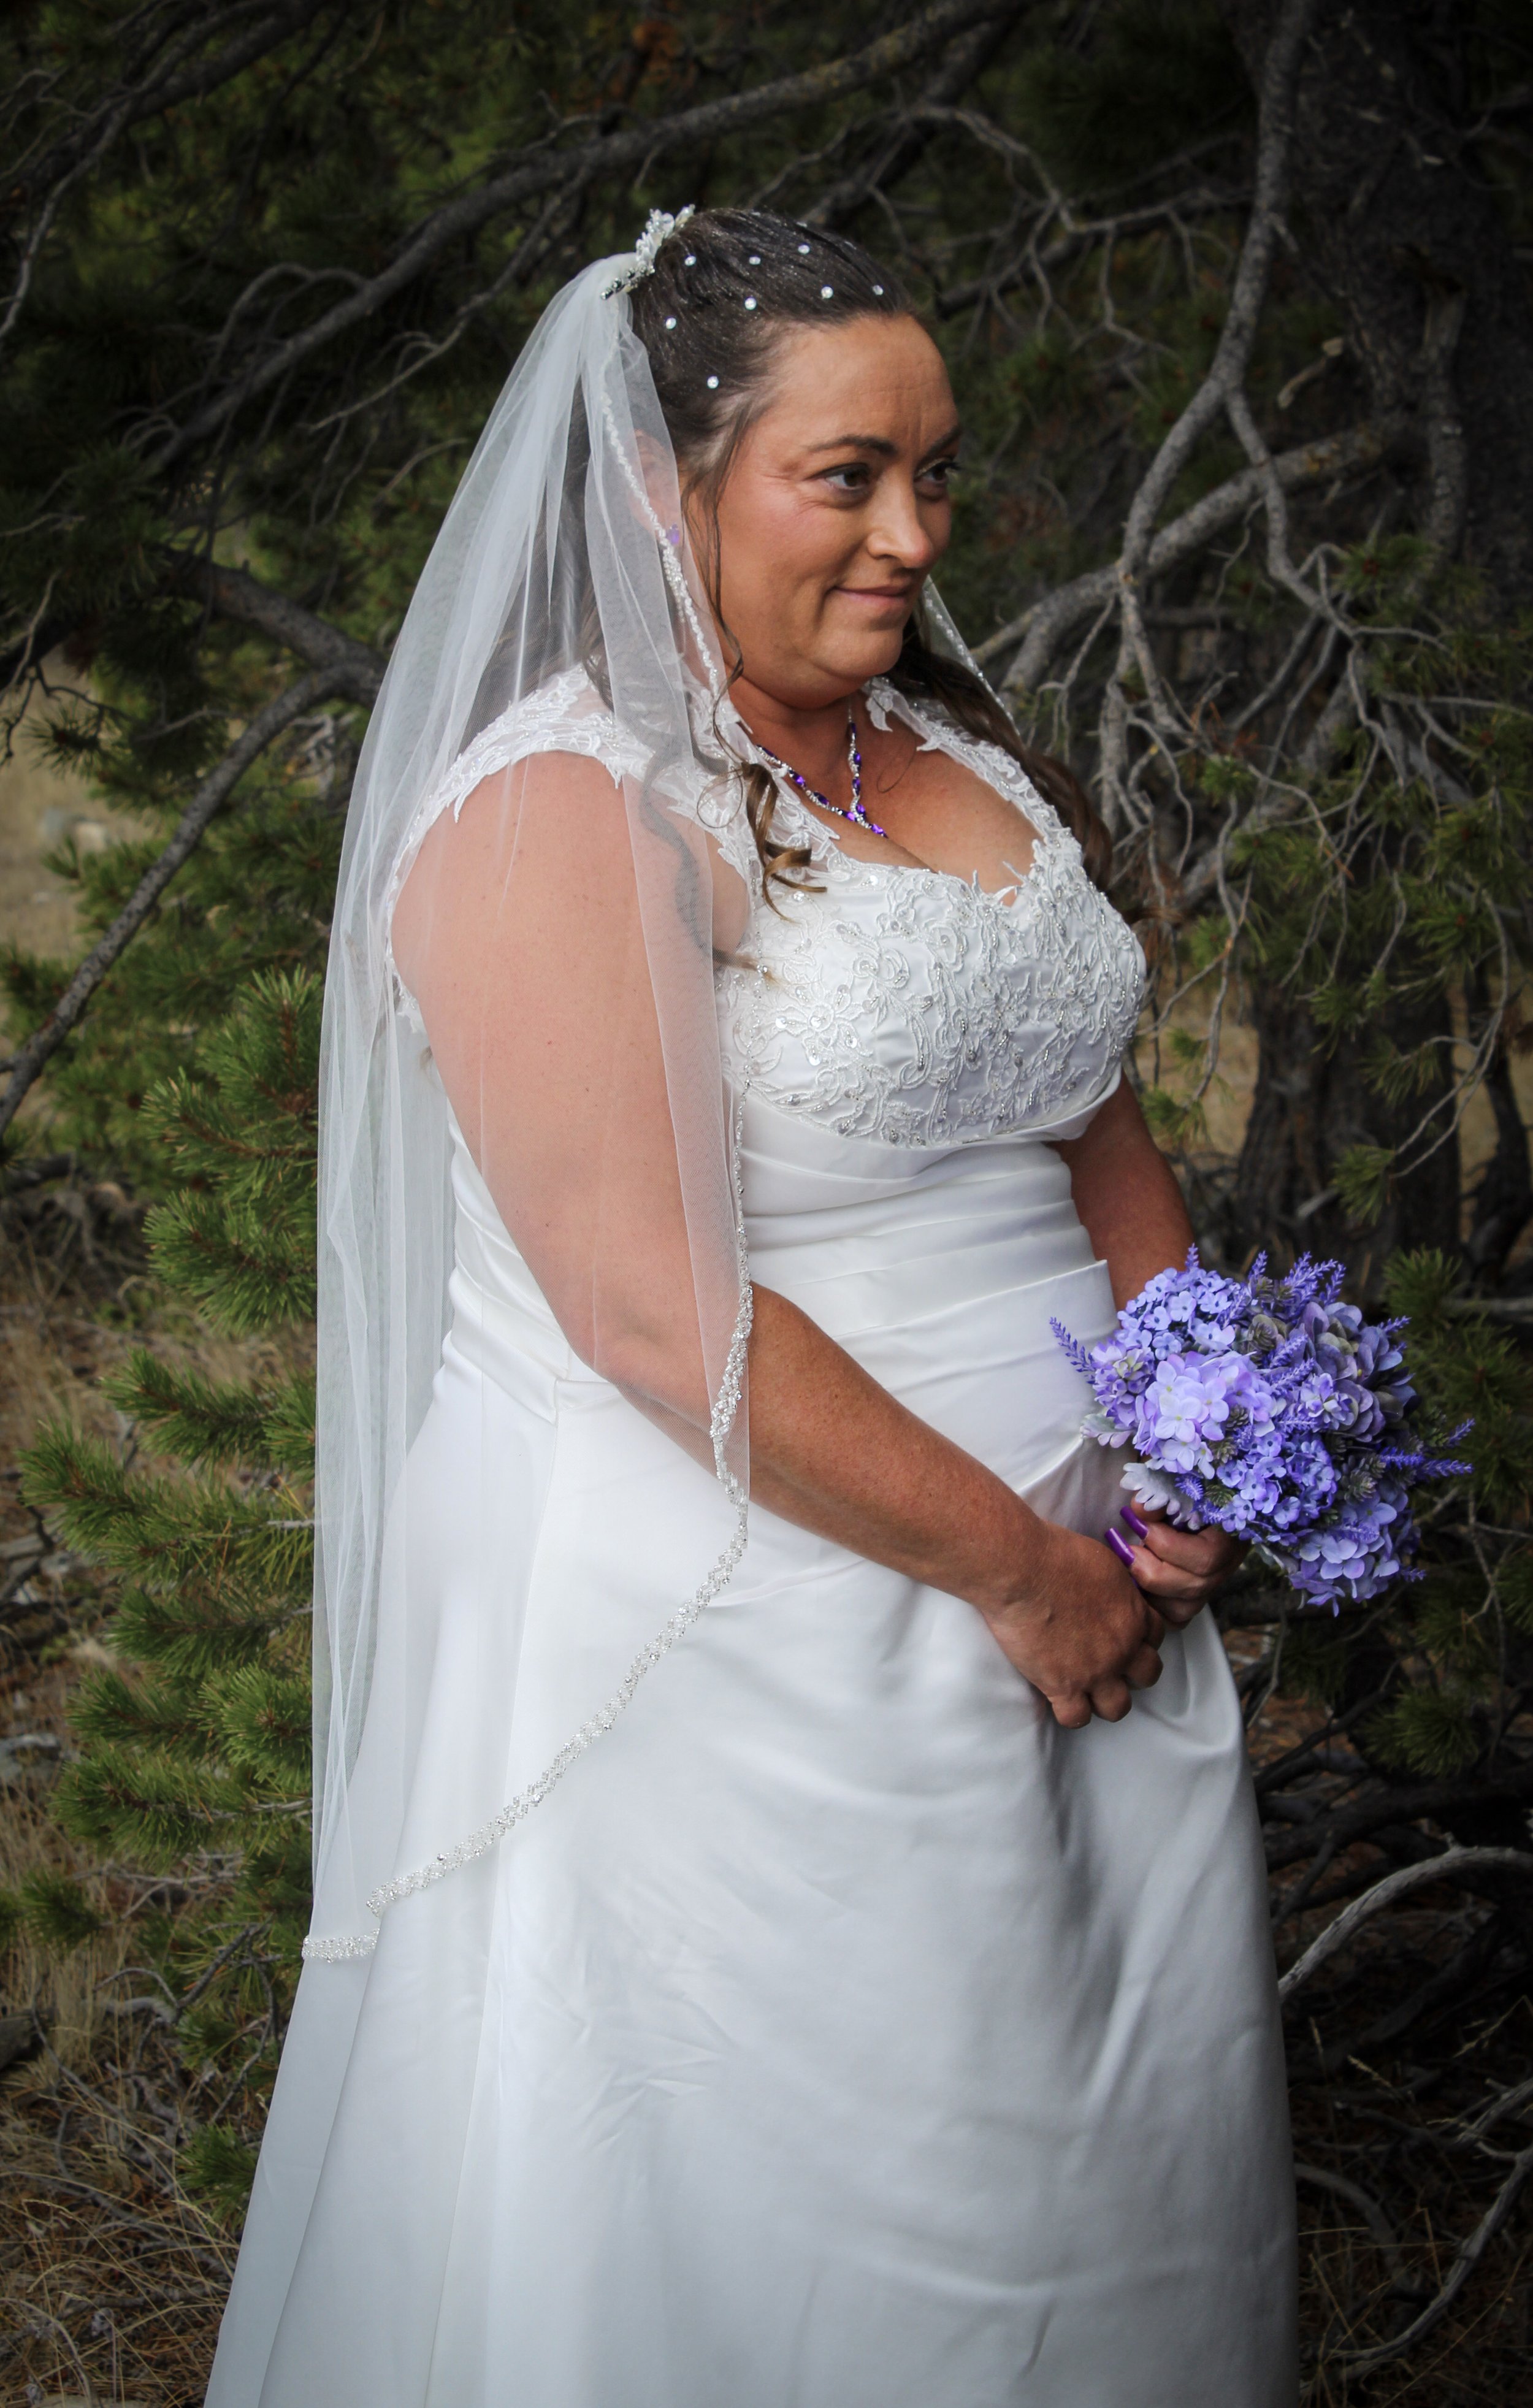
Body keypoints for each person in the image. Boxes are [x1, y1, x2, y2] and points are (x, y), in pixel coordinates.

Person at [207, 205, 1298, 2408]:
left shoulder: (955, 765)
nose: (913, 535)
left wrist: (1198, 1452)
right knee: (854, 2203)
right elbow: (648, 1312)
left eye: (937, 472)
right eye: (845, 477)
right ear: (652, 486)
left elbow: (1102, 1148)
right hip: (771, 1617)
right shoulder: (556, 811)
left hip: (1096, 1595)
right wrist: (1019, 1577)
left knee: (1099, 2177)